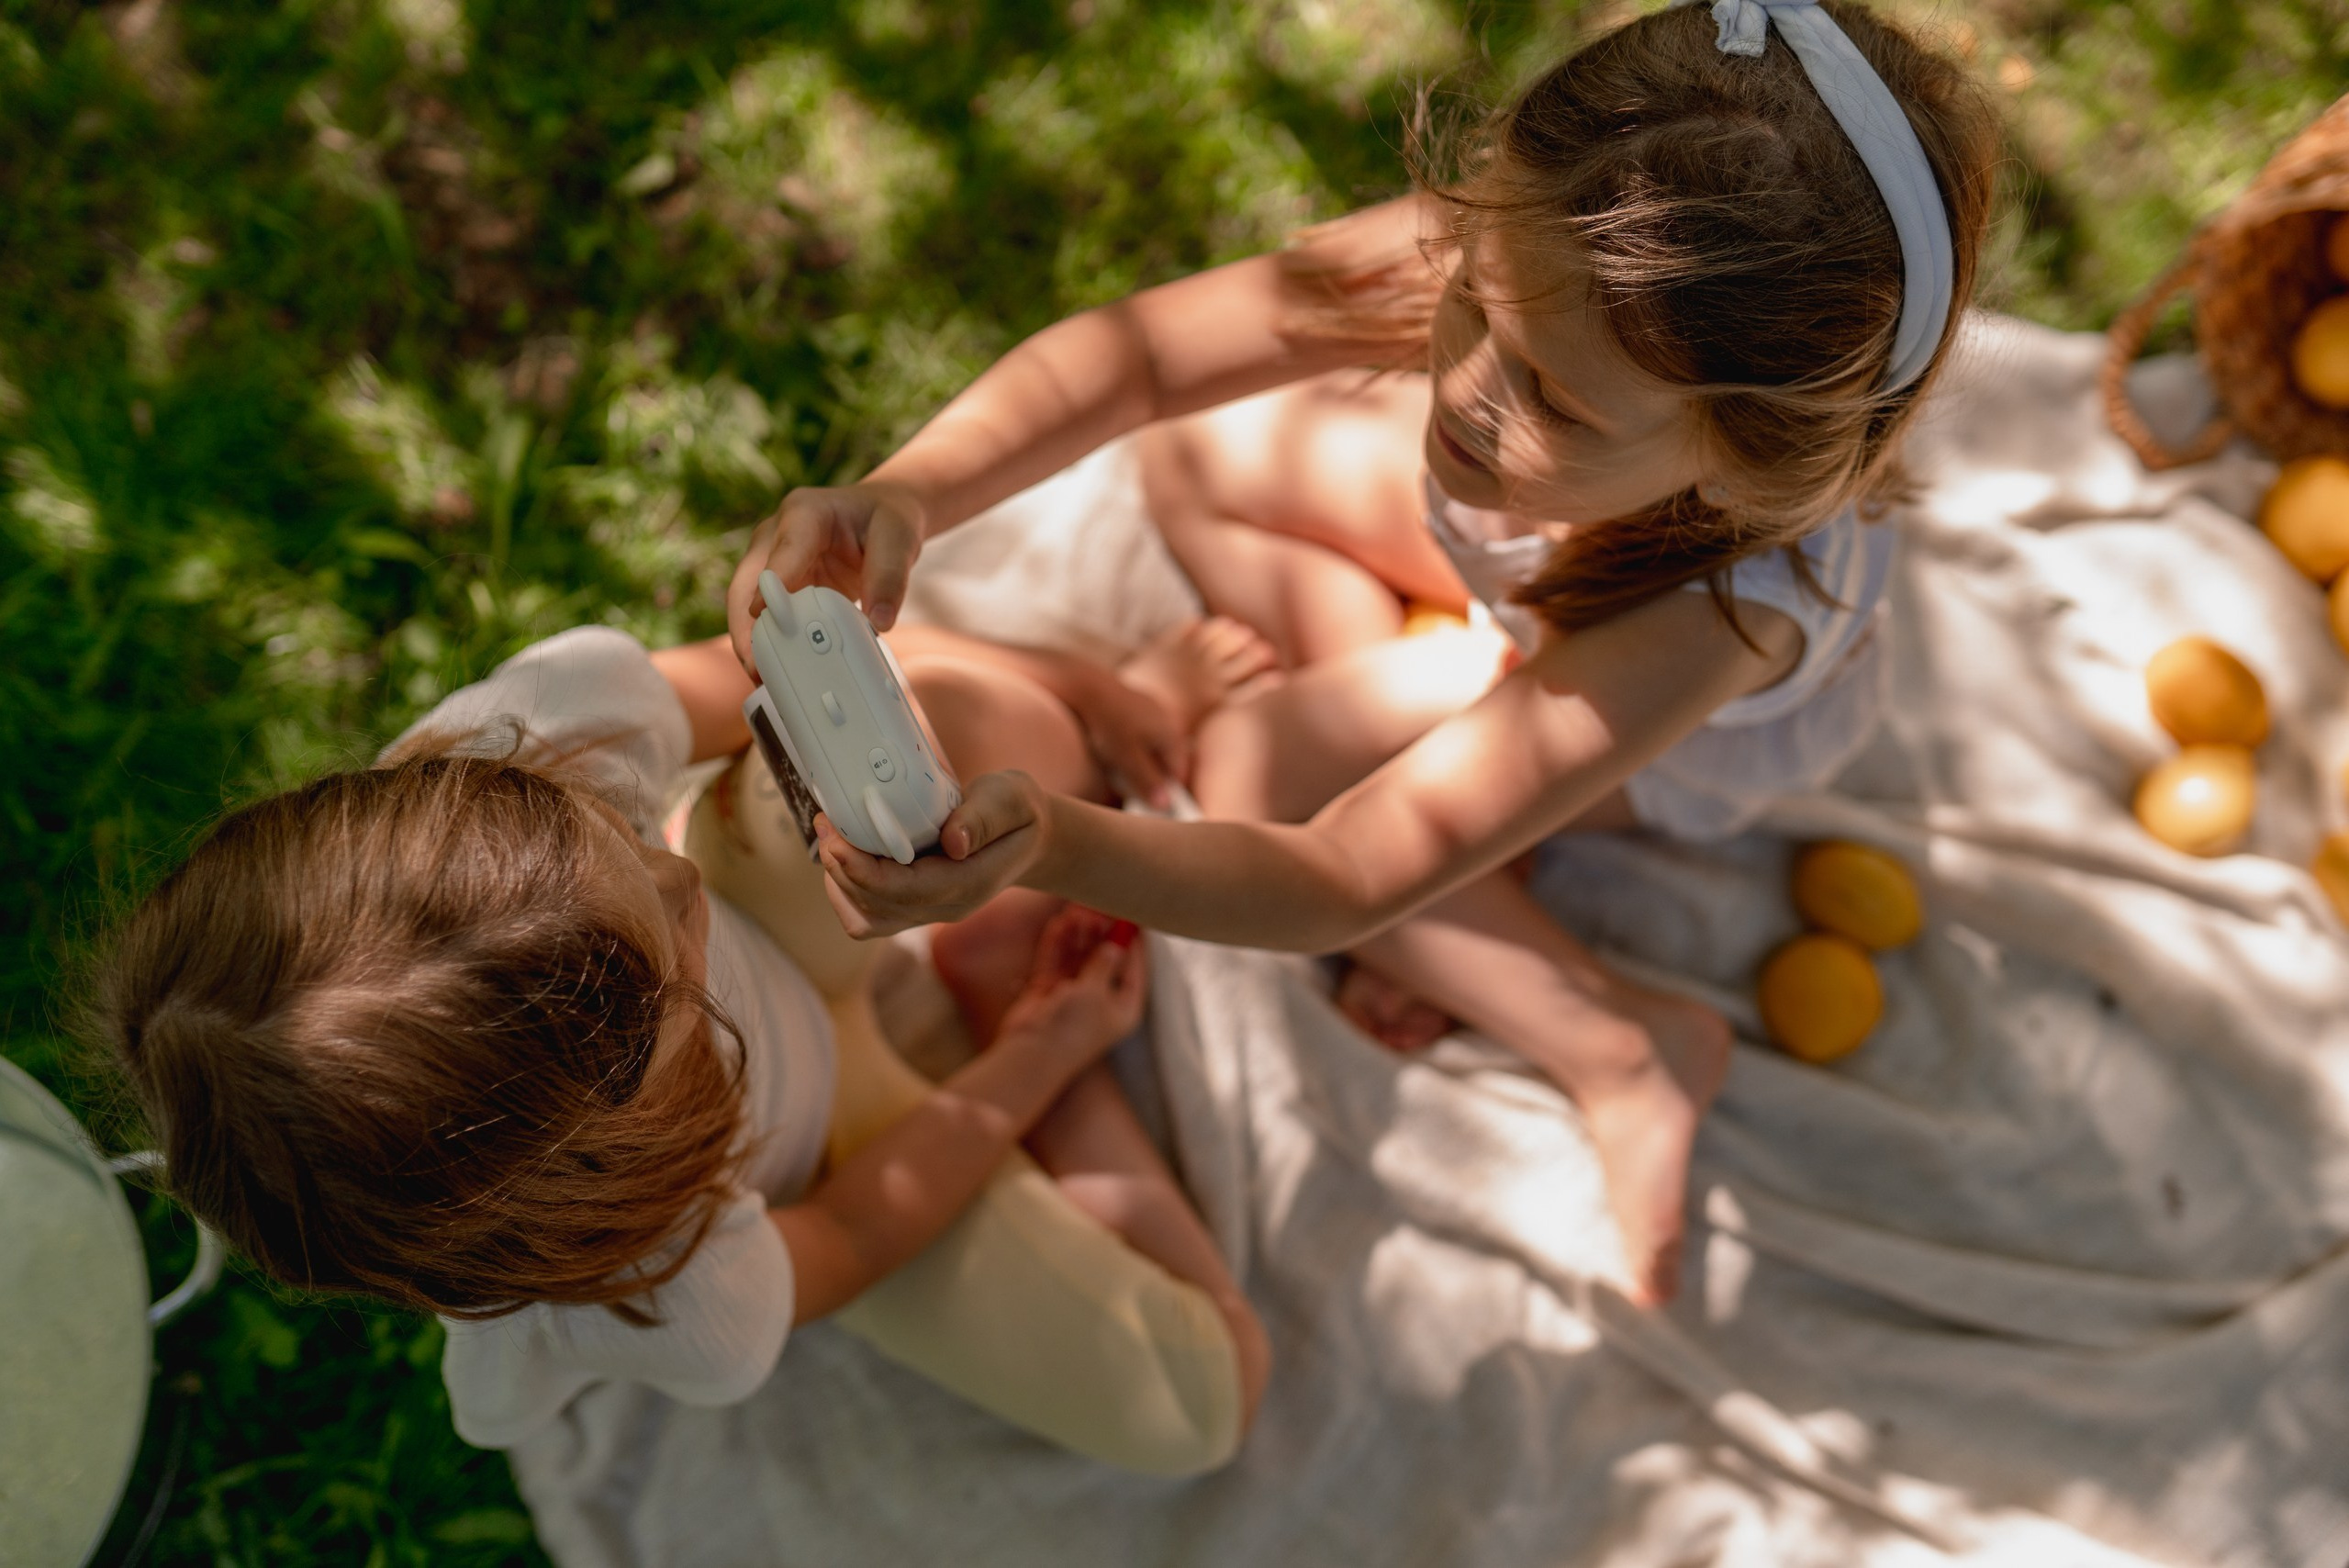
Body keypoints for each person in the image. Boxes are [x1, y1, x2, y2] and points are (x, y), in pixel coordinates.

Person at [726, 0, 2002, 1304]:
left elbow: (1342, 873)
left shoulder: (1718, 617)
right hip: (1515, 591)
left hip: (1619, 698)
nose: (1457, 395)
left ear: (1738, 467)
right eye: (1468, 304)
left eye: (1555, 401)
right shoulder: (1548, 247)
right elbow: (1148, 360)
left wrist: (1050, 846)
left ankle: (1618, 1044)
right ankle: (1410, 670)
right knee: (1189, 457)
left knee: (1253, 766)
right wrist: (910, 495)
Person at [94, 618, 1271, 1476]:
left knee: (927, 727)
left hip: (791, 906)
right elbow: (856, 1229)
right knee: (1198, 1396)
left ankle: (1076, 722)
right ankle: (986, 1002)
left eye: (608, 833)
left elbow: (742, 680)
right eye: (668, 956)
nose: (669, 861)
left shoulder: (498, 780)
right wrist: (1039, 1062)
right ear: (608, 1163)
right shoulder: (651, 1282)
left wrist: (1069, 679)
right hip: (833, 1144)